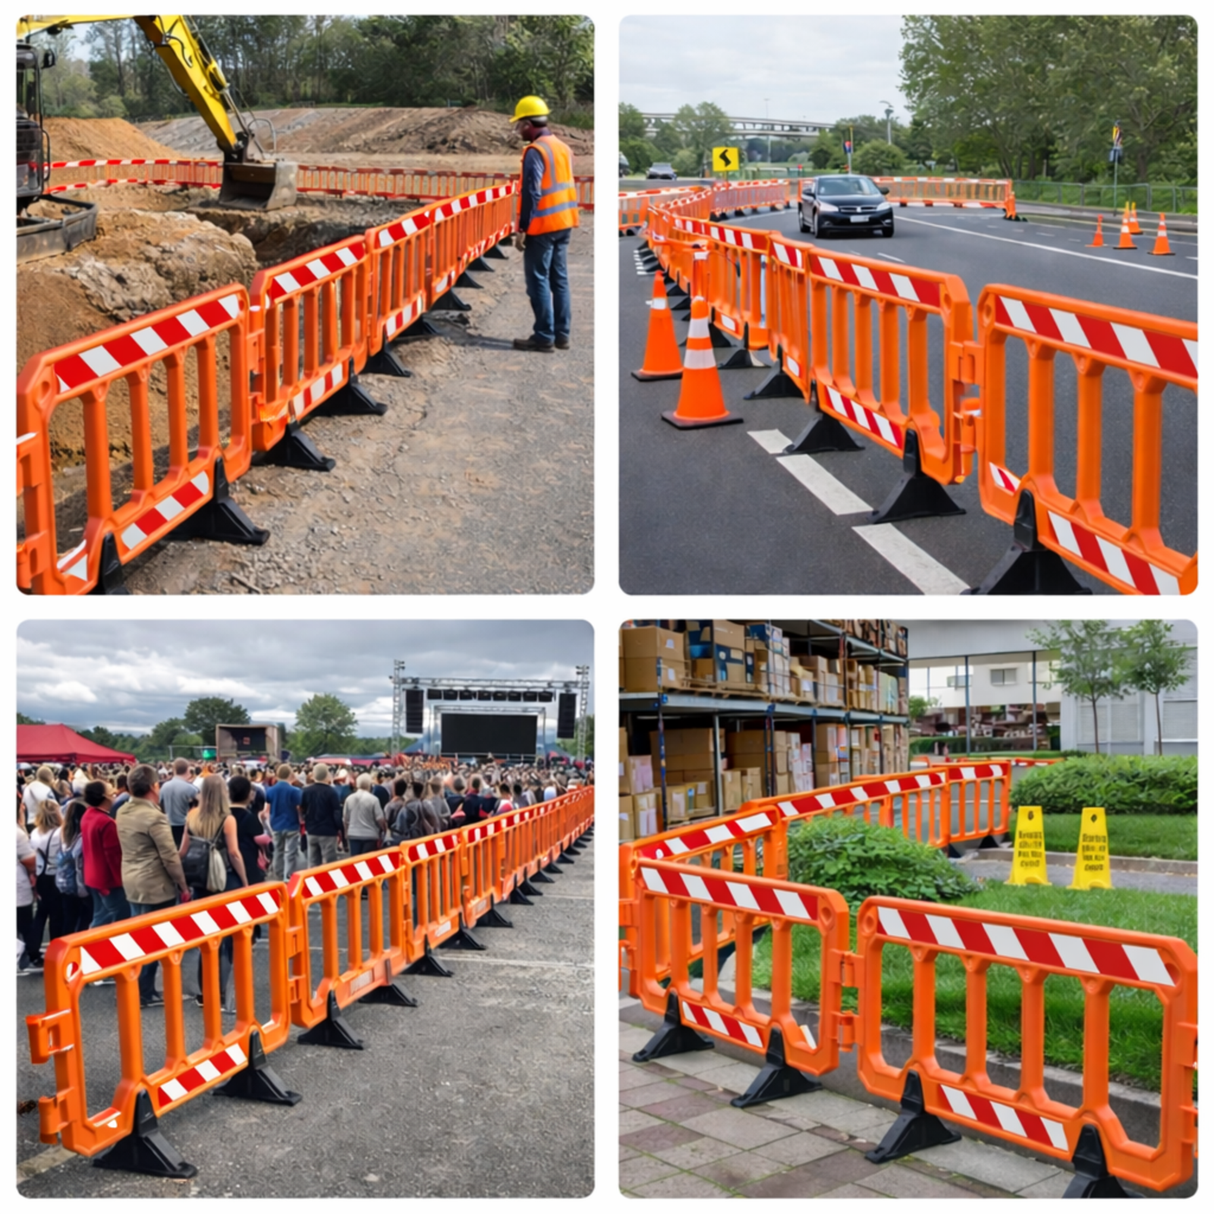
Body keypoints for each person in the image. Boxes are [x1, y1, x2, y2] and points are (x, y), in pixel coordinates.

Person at [115, 764, 192, 1008]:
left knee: (137, 935)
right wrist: (183, 884)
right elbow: (170, 857)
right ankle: (145, 991)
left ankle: (135, 986)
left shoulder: (123, 811)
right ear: (153, 787)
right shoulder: (155, 817)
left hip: (131, 878)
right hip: (155, 884)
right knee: (154, 939)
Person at [509, 95, 578, 353]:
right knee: (559, 279)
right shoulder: (562, 147)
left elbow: (532, 191)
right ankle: (562, 335)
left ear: (528, 123)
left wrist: (523, 228)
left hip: (543, 225)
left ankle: (543, 336)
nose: (518, 131)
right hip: (565, 222)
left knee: (538, 278)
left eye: (519, 125)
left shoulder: (535, 151)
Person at [179, 775, 247, 1008]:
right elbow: (234, 853)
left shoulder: (191, 816)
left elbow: (183, 850)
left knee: (206, 938)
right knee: (225, 939)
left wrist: (181, 881)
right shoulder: (227, 820)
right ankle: (219, 992)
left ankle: (203, 991)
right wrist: (245, 881)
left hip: (200, 882)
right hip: (222, 881)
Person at [82, 780, 128, 927]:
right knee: (119, 919)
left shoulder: (89, 815)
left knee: (100, 917)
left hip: (92, 876)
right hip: (108, 880)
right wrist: (122, 880)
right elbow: (114, 856)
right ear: (105, 796)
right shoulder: (106, 822)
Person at [29, 799, 66, 950]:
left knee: (41, 912)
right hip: (55, 875)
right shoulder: (59, 833)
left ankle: (33, 948)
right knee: (57, 916)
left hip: (40, 875)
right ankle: (55, 948)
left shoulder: (34, 833)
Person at [59, 799, 94, 935]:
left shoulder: (63, 835)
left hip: (65, 884)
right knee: (86, 918)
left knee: (69, 919)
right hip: (81, 884)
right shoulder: (82, 837)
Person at [266, 762, 304, 880]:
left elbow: (267, 809)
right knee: (290, 852)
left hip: (276, 824)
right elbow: (299, 808)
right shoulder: (295, 791)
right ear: (290, 774)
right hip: (291, 824)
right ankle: (287, 875)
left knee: (278, 851)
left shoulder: (270, 790)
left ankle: (277, 874)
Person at [301, 763, 343, 866]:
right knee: (330, 863)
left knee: (313, 861)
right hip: (328, 831)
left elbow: (303, 809)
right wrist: (340, 829)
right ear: (327, 775)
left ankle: (312, 880)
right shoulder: (332, 792)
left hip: (311, 830)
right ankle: (329, 881)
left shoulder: (306, 791)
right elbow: (336, 813)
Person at [17, 821, 41, 973]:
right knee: (25, 923)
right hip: (17, 886)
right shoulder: (17, 834)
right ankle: (31, 955)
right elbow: (30, 861)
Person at [159, 758, 199, 846]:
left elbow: (160, 806)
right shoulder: (191, 789)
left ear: (174, 770)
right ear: (188, 769)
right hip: (186, 827)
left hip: (168, 825)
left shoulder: (164, 787)